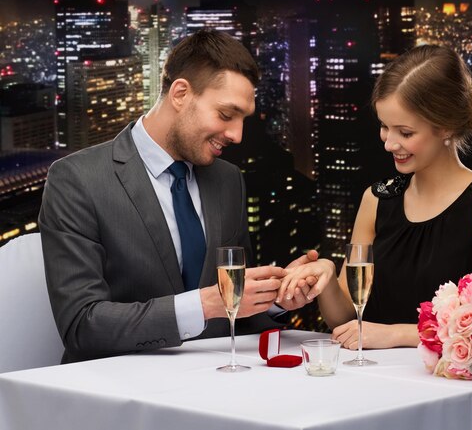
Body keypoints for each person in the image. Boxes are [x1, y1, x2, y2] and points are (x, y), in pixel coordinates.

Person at [39, 30, 315, 363]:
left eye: (243, 120)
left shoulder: (228, 180)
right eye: (226, 115)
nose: (237, 135)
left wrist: (275, 298)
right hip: (116, 394)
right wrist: (205, 303)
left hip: (218, 384)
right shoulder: (77, 180)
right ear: (180, 93)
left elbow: (233, 312)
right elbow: (82, 325)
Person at [279, 44, 472, 350]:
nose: (389, 143)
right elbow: (344, 320)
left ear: (445, 125)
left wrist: (397, 334)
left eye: (405, 133)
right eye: (384, 127)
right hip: (373, 378)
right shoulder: (376, 200)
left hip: (450, 386)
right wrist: (325, 276)